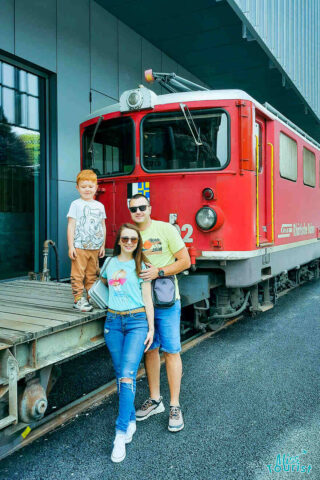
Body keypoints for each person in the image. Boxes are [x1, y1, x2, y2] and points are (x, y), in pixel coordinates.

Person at [128, 194, 191, 432]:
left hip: (165, 301)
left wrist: (159, 272)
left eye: (142, 207)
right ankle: (155, 400)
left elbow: (184, 261)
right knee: (150, 349)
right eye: (134, 209)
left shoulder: (165, 229)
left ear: (150, 208)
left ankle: (174, 405)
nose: (138, 212)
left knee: (172, 351)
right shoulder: (129, 233)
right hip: (140, 303)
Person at [101, 223, 154, 463]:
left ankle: (120, 434)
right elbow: (104, 283)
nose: (130, 243)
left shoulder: (141, 265)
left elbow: (147, 298)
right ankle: (131, 419)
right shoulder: (110, 263)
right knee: (122, 375)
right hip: (113, 322)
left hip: (136, 322)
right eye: (125, 239)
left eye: (134, 239)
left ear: (138, 241)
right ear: (119, 241)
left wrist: (151, 328)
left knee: (126, 374)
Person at [67, 169, 106, 312]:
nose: (87, 190)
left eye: (90, 186)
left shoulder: (100, 206)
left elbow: (102, 226)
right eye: (83, 187)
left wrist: (103, 244)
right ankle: (78, 298)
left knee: (92, 274)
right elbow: (71, 225)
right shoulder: (75, 204)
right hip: (79, 246)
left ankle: (90, 296)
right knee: (78, 274)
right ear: (77, 188)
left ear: (96, 187)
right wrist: (71, 246)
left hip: (95, 247)